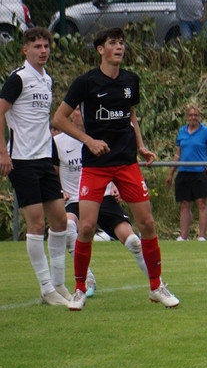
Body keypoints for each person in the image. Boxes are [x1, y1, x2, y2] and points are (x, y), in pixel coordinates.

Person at [51, 26, 179, 311]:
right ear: (101, 49)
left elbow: (131, 115)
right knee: (86, 226)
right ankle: (80, 289)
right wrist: (88, 140)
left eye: (122, 43)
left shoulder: (131, 80)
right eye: (113, 43)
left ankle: (156, 286)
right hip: (96, 166)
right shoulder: (85, 83)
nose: (119, 47)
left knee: (147, 224)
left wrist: (141, 146)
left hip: (126, 163)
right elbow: (59, 119)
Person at [0, 27, 71, 306]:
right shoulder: (18, 78)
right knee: (37, 223)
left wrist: (52, 157)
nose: (43, 51)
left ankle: (58, 283)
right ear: (25, 50)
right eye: (37, 46)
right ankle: (45, 287)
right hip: (21, 160)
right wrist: (3, 153)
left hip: (43, 159)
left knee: (60, 220)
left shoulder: (46, 79)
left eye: (46, 46)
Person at [54, 107, 150, 297]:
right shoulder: (57, 142)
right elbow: (52, 171)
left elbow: (116, 166)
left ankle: (157, 284)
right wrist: (59, 191)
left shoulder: (103, 136)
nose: (81, 113)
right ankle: (87, 278)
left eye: (84, 109)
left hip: (104, 196)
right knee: (68, 226)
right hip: (75, 200)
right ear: (71, 113)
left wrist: (115, 186)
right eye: (77, 109)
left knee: (133, 241)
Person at [166, 105, 207, 241]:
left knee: (201, 203)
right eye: (191, 115)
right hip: (183, 172)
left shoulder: (205, 131)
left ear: (199, 117)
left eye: (196, 115)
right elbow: (178, 153)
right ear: (187, 117)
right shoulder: (182, 131)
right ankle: (183, 236)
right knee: (184, 204)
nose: (193, 118)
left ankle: (202, 236)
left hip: (199, 172)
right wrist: (171, 173)